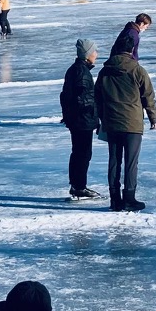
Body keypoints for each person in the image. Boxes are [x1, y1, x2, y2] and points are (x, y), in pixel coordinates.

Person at [96, 38, 156, 211]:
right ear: (131, 51)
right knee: (131, 162)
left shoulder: (104, 72)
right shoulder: (138, 70)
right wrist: (153, 118)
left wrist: (101, 119)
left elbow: (97, 98)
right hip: (132, 123)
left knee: (114, 161)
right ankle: (129, 198)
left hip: (111, 122)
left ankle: (115, 199)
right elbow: (148, 96)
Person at [60, 38, 100, 199]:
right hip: (82, 120)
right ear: (87, 54)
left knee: (79, 152)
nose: (96, 54)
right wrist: (93, 114)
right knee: (83, 153)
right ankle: (79, 187)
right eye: (94, 51)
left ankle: (77, 185)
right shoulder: (81, 72)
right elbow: (82, 99)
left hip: (78, 119)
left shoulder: (76, 69)